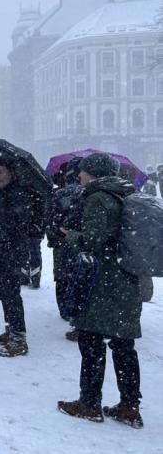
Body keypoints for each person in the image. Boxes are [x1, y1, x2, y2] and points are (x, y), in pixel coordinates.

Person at [57, 153, 143, 428]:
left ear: (92, 173)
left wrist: (69, 235)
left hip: (103, 281)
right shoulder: (125, 194)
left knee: (91, 342)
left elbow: (93, 241)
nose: (79, 176)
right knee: (123, 345)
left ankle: (89, 403)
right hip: (126, 278)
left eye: (82, 172)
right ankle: (130, 406)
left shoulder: (97, 198)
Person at [0, 158, 33, 357]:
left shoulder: (20, 193)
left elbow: (16, 220)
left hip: (11, 252)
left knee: (12, 295)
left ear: (10, 172)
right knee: (4, 293)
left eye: (0, 172)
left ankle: (19, 339)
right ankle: (11, 330)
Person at [45, 159, 84, 340]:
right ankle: (80, 312)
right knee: (82, 277)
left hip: (62, 243)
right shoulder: (89, 193)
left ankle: (65, 309)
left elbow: (50, 219)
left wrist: (55, 236)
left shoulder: (58, 194)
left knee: (62, 277)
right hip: (83, 243)